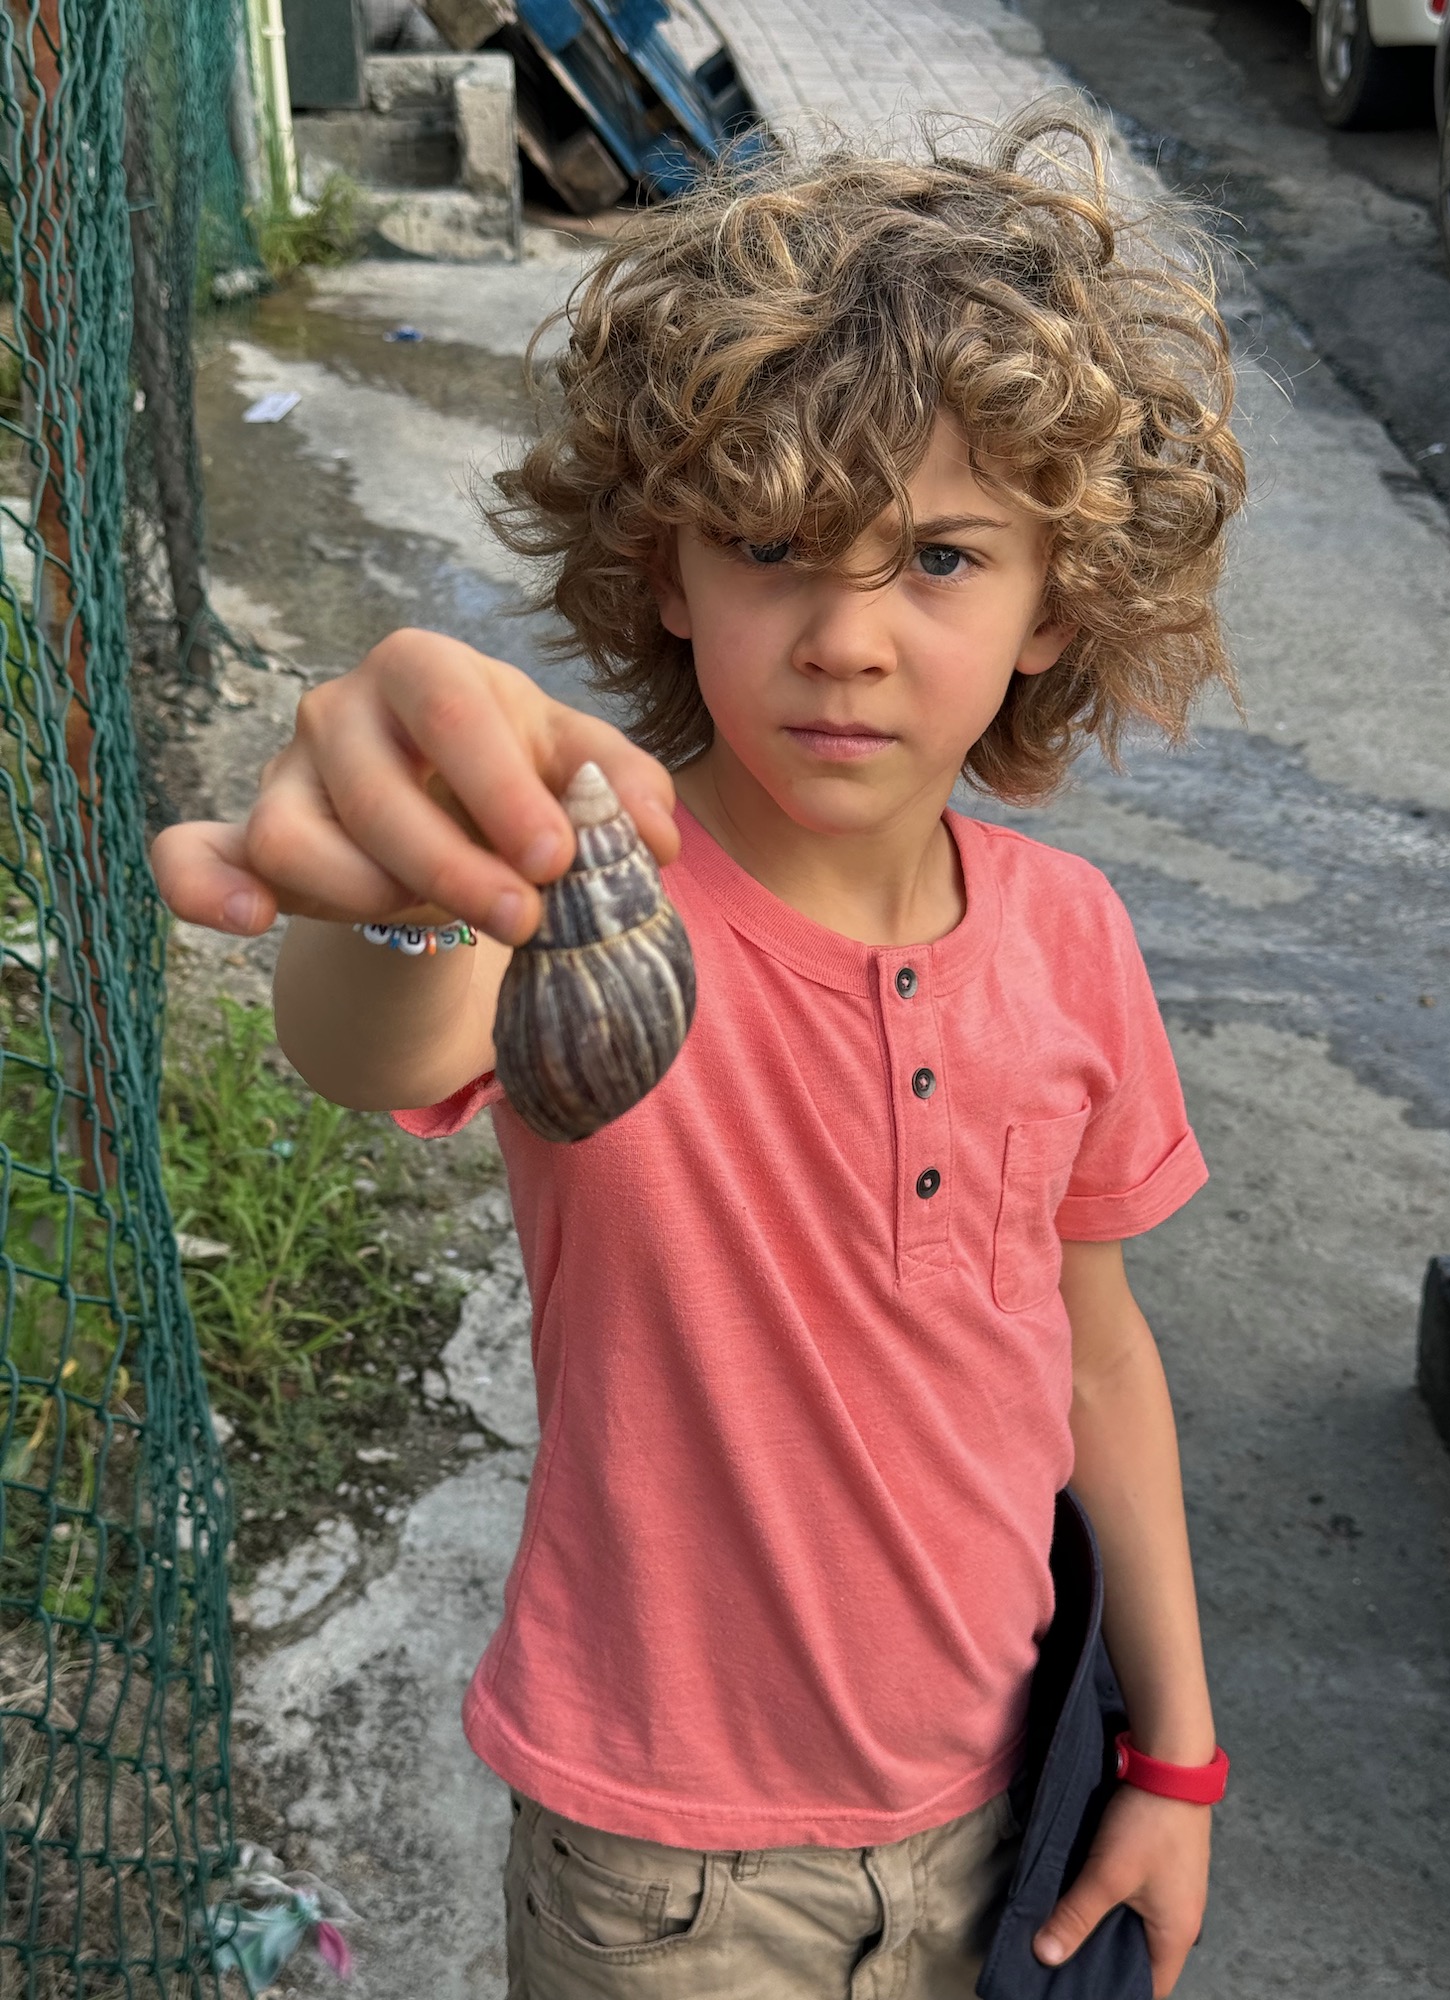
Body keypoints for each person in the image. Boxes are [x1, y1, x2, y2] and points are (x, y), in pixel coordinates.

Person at [153, 104, 1246, 2000]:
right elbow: (371, 1035)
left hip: (1004, 1808)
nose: (845, 637)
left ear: (1058, 601)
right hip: (663, 1875)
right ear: (665, 570)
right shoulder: (592, 878)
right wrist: (413, 879)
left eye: (941, 559)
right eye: (772, 545)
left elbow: (1097, 1354)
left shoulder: (1076, 944)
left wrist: (1175, 1753)